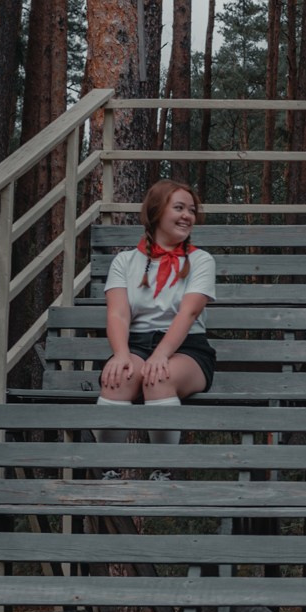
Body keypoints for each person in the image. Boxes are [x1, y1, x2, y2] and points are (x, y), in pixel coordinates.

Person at [95, 178, 218, 449]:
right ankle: (107, 465)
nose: (187, 216)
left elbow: (188, 313)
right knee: (117, 379)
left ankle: (162, 466)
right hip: (136, 346)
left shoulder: (201, 260)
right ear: (156, 211)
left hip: (187, 349)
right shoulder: (125, 261)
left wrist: (162, 354)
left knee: (159, 377)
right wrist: (121, 354)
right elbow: (118, 315)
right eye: (179, 208)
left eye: (191, 210)